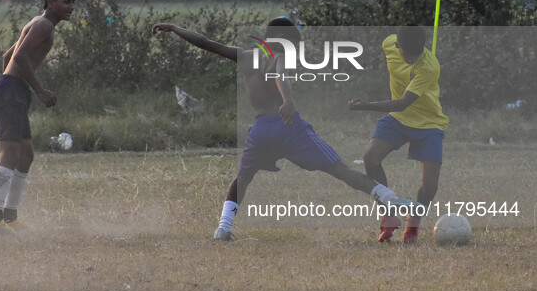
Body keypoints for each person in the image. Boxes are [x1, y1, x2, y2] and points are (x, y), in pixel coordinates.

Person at [152, 18, 420, 241]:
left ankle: (224, 227)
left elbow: (206, 43)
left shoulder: (246, 56)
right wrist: (288, 101)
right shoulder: (280, 56)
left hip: (260, 130)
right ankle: (390, 198)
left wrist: (176, 28)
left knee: (243, 179)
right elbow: (281, 76)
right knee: (339, 170)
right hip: (287, 126)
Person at [0, 0, 77, 234]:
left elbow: (7, 57)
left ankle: (10, 218)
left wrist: (15, 86)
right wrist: (38, 89)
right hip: (12, 90)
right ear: (50, 2)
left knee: (26, 155)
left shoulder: (38, 23)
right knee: (11, 152)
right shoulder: (43, 25)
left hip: (13, 90)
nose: (71, 7)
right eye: (67, 2)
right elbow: (20, 56)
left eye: (73, 3)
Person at [348, 24, 449, 243]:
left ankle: (413, 222)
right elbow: (400, 109)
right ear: (397, 45)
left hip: (428, 123)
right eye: (408, 54)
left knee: (430, 186)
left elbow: (403, 103)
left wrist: (365, 105)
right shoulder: (389, 44)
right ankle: (389, 212)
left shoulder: (430, 66)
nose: (413, 59)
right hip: (398, 119)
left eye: (417, 54)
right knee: (370, 157)